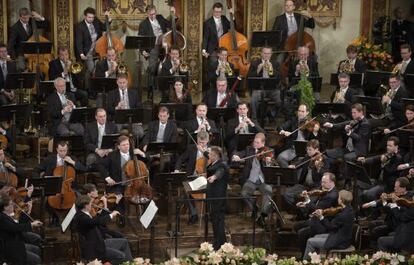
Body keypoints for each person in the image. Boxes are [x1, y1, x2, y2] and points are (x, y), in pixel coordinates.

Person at [33, 141, 86, 226]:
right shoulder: (50, 159)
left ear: (67, 150)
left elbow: (84, 169)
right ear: (57, 150)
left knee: (80, 199)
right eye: (60, 150)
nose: (62, 153)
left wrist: (73, 162)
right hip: (52, 187)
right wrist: (39, 182)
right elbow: (36, 170)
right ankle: (55, 217)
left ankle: (73, 221)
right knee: (46, 200)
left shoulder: (72, 158)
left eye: (64, 150)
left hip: (70, 188)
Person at [74, 195, 133, 264]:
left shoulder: (84, 214)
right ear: (86, 205)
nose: (92, 205)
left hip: (100, 242)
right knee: (121, 256)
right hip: (95, 248)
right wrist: (111, 215)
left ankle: (130, 263)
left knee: (124, 242)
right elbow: (96, 222)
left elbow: (97, 221)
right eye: (90, 203)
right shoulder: (81, 217)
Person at [232, 133, 274, 226]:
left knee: (268, 191)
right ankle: (255, 209)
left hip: (263, 180)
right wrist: (236, 156)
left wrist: (268, 162)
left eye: (257, 143)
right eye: (254, 142)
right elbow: (238, 153)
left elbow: (273, 165)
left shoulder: (269, 151)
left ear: (263, 143)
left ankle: (263, 215)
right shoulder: (249, 149)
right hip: (251, 179)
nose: (255, 144)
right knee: (244, 194)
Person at [361, 177, 413, 249]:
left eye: (396, 187)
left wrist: (386, 203)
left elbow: (394, 212)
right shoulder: (395, 194)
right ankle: (373, 248)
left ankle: (378, 250)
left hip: (396, 225)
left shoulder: (408, 200)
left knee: (376, 231)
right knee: (372, 224)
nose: (394, 189)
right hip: (389, 222)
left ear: (403, 188)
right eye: (394, 187)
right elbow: (380, 201)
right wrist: (369, 204)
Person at [324, 103, 371, 181]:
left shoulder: (366, 124)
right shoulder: (354, 121)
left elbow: (360, 138)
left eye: (354, 113)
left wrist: (349, 132)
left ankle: (347, 181)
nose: (352, 115)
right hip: (348, 148)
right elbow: (342, 124)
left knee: (347, 157)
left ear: (361, 112)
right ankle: (334, 178)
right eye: (352, 113)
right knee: (328, 153)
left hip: (358, 151)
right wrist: (332, 125)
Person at [303, 190, 355, 260]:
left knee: (310, 241)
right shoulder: (350, 209)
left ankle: (305, 262)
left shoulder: (342, 215)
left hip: (340, 242)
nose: (338, 198)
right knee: (316, 236)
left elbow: (329, 227)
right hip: (343, 237)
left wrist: (321, 217)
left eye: (339, 197)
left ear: (341, 200)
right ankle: (316, 260)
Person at [138, 4, 173, 100]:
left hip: (164, 44)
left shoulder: (160, 18)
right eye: (150, 14)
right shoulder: (143, 24)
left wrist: (173, 15)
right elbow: (140, 40)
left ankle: (166, 90)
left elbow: (170, 25)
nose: (153, 16)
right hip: (153, 46)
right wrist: (143, 51)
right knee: (152, 68)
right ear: (147, 14)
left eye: (154, 14)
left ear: (156, 12)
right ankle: (151, 90)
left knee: (167, 65)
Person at [283, 140, 330, 209]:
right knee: (286, 194)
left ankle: (302, 212)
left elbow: (326, 174)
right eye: (307, 149)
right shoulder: (307, 157)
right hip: (304, 185)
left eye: (310, 150)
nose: (308, 151)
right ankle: (298, 209)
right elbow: (300, 163)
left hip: (315, 187)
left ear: (316, 149)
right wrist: (294, 165)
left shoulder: (324, 159)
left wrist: (318, 168)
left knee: (309, 202)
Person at [0, 194, 43, 265]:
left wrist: (28, 212)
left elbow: (19, 225)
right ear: (5, 207)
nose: (13, 206)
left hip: (18, 244)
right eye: (11, 204)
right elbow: (15, 228)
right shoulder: (2, 218)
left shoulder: (7, 215)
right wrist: (31, 224)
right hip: (12, 250)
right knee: (36, 260)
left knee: (36, 250)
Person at [358, 136, 404, 202]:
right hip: (378, 181)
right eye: (387, 145)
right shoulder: (388, 154)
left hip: (386, 185)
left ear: (396, 147)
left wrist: (383, 163)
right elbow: (375, 158)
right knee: (358, 184)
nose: (387, 147)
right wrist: (364, 160)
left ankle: (371, 209)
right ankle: (359, 208)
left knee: (368, 194)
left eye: (390, 146)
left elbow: (389, 171)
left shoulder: (398, 158)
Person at [107, 74, 144, 141]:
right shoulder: (111, 93)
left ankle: (131, 146)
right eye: (120, 83)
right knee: (113, 133)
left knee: (140, 133)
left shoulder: (134, 93)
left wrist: (138, 119)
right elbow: (108, 108)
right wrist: (116, 108)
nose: (122, 85)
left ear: (127, 82)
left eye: (124, 82)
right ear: (117, 82)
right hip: (118, 119)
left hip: (132, 119)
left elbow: (139, 107)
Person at [248, 46, 281, 120]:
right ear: (261, 54)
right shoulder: (255, 63)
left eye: (268, 53)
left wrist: (272, 70)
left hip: (272, 89)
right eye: (265, 53)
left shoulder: (275, 63)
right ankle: (254, 119)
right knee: (253, 99)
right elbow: (249, 78)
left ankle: (271, 113)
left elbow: (279, 78)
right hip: (258, 89)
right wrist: (257, 70)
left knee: (280, 101)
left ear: (271, 54)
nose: (266, 55)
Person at [206, 146, 229, 250]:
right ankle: (221, 242)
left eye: (210, 154)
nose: (208, 155)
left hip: (218, 197)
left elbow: (219, 173)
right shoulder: (215, 161)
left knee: (218, 220)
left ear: (215, 156)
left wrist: (214, 177)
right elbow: (207, 155)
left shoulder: (222, 165)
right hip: (213, 195)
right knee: (215, 219)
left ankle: (219, 244)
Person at [75, 7, 109, 74]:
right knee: (92, 70)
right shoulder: (80, 26)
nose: (91, 19)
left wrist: (108, 19)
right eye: (89, 17)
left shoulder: (95, 21)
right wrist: (81, 54)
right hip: (87, 52)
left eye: (92, 17)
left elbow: (104, 28)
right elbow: (79, 42)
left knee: (101, 68)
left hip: (97, 50)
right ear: (85, 16)